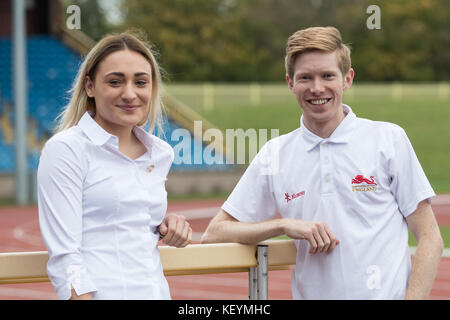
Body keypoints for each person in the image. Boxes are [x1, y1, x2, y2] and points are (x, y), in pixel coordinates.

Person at [201, 26, 443, 299]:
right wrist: (284, 226)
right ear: (290, 83)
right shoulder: (275, 154)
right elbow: (214, 233)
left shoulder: (388, 139)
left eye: (327, 76)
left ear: (347, 79)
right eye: (305, 77)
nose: (317, 88)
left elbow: (430, 237)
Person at [37, 31, 192, 300]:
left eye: (141, 82)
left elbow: (130, 222)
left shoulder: (160, 153)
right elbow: (66, 259)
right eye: (115, 82)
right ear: (90, 87)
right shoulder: (66, 150)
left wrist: (167, 224)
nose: (130, 94)